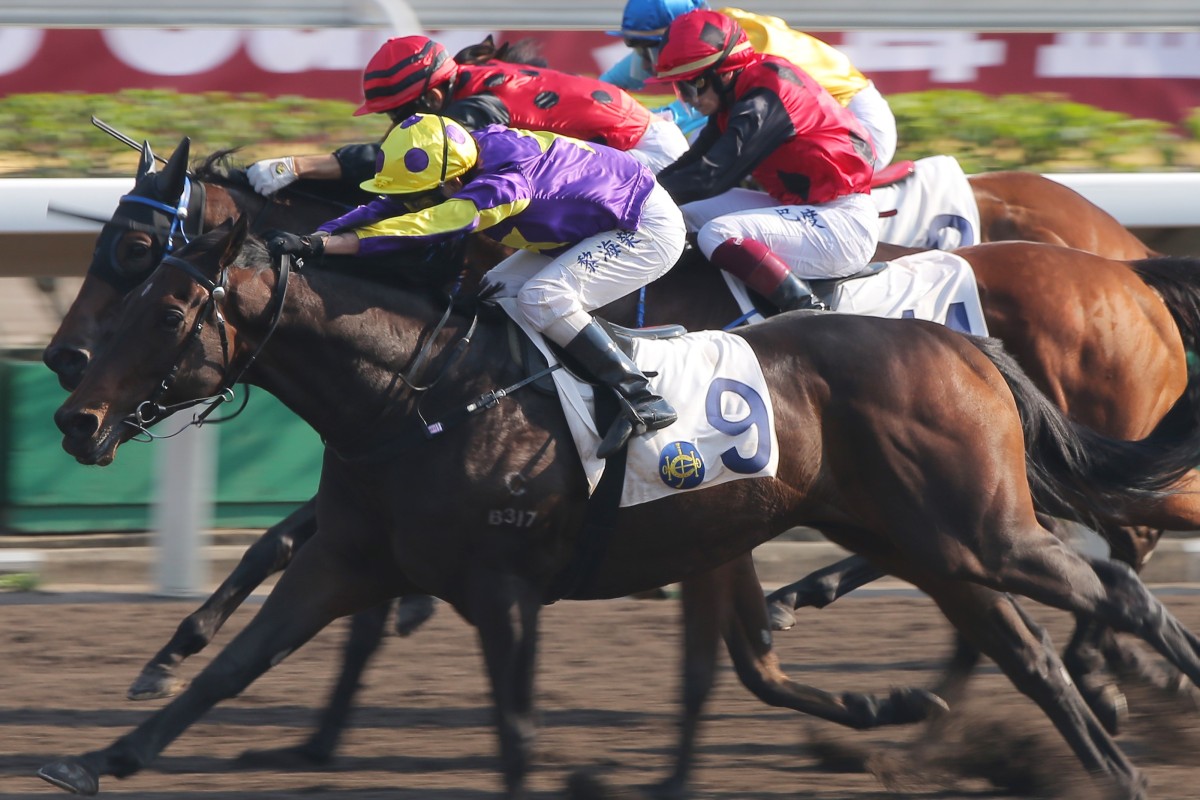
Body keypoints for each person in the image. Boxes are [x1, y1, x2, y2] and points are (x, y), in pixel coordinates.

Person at [266, 113, 686, 458]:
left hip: (643, 226)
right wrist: (318, 236)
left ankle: (641, 397)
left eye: (428, 196)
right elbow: (395, 203)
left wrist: (330, 246)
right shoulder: (458, 159)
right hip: (592, 221)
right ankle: (557, 394)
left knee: (544, 297)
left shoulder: (503, 187)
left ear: (452, 185)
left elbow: (421, 226)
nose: (419, 202)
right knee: (495, 292)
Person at [247, 35, 689, 197]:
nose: (395, 123)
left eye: (400, 112)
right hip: (634, 140)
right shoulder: (467, 80)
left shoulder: (478, 106)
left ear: (435, 96)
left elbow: (407, 157)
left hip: (647, 156)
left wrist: (298, 166)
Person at [651, 9, 879, 313]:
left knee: (716, 233)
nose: (689, 99)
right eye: (680, 89)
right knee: (683, 211)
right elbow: (691, 162)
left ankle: (811, 316)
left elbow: (712, 175)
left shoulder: (765, 98)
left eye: (692, 86)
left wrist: (633, 199)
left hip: (841, 224)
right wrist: (644, 190)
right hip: (808, 209)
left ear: (724, 73)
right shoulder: (738, 94)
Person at [602, 0, 897, 168]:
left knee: (690, 147)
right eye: (639, 48)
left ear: (676, 32)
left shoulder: (726, 44)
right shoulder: (702, 32)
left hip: (859, 127)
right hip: (825, 119)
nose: (645, 60)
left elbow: (692, 111)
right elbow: (616, 80)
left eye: (648, 48)